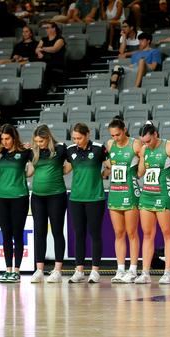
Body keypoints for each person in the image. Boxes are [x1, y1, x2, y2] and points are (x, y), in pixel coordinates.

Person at [136, 122, 170, 284]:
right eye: (143, 142)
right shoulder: (145, 150)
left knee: (167, 233)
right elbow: (141, 172)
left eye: (148, 141)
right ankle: (145, 272)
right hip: (147, 194)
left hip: (164, 194)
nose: (146, 144)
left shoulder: (169, 146)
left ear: (155, 134)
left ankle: (168, 273)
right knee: (147, 234)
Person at [65, 123, 108, 283]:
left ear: (88, 135)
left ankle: (95, 271)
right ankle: (79, 270)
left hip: (95, 198)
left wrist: (102, 175)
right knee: (79, 235)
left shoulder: (98, 148)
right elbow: (66, 169)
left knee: (95, 234)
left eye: (80, 138)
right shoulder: (70, 151)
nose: (77, 141)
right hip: (76, 198)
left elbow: (109, 166)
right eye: (74, 138)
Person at [29, 124, 70, 283]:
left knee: (57, 231)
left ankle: (58, 270)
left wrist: (64, 170)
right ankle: (39, 269)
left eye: (41, 141)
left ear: (48, 137)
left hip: (56, 196)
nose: (39, 144)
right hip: (38, 197)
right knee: (39, 232)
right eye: (37, 141)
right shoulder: (33, 151)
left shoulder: (60, 149)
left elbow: (71, 161)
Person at [0, 124, 33, 283]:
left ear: (14, 137)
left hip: (19, 197)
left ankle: (17, 271)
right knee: (6, 234)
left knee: (17, 234)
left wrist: (24, 175)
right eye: (2, 139)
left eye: (7, 138)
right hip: (1, 197)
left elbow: (32, 168)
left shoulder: (25, 152)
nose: (5, 142)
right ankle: (7, 269)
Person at [105, 117, 142, 283]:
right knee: (118, 233)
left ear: (124, 130)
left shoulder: (135, 144)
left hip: (130, 192)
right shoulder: (110, 144)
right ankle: (120, 269)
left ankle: (133, 269)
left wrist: (137, 175)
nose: (115, 138)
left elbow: (144, 164)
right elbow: (109, 165)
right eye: (112, 135)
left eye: (118, 134)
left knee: (132, 232)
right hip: (115, 191)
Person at [36, 21, 66, 93]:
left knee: (48, 65)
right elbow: (37, 48)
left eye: (48, 28)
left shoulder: (60, 39)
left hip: (56, 61)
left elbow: (54, 49)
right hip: (45, 59)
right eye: (46, 28)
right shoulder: (43, 39)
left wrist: (42, 49)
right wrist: (39, 52)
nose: (46, 29)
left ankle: (50, 87)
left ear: (54, 29)